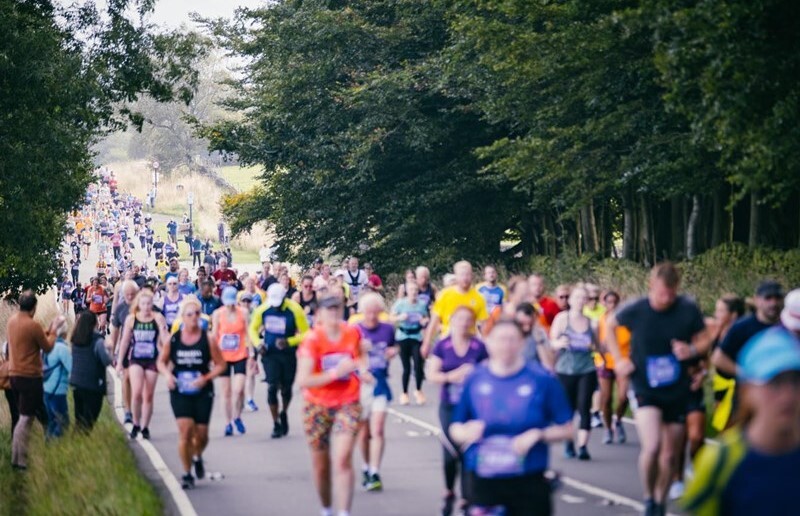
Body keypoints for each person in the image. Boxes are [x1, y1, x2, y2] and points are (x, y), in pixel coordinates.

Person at [605, 263, 708, 516]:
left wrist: (692, 350)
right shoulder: (637, 309)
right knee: (651, 446)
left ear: (677, 289)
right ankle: (649, 496)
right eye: (662, 294)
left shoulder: (687, 309)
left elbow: (706, 337)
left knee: (671, 456)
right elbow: (609, 325)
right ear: (652, 286)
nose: (666, 299)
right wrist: (619, 359)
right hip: (644, 385)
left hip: (676, 388)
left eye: (671, 294)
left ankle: (659, 502)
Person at [449, 318, 574, 516]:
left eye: (511, 339)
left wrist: (538, 434)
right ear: (488, 343)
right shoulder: (475, 378)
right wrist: (465, 431)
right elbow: (455, 428)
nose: (505, 345)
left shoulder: (542, 379)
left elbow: (568, 429)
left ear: (522, 343)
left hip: (528, 479)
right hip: (485, 478)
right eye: (500, 339)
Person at [682, 327, 800, 515]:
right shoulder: (720, 461)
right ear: (747, 389)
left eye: (796, 381)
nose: (788, 395)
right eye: (774, 383)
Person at [296, 296, 365, 516]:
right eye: (330, 310)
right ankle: (326, 508)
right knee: (321, 465)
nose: (334, 315)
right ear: (320, 315)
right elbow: (304, 380)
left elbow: (360, 357)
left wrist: (364, 370)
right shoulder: (312, 340)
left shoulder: (352, 333)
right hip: (316, 404)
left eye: (338, 310)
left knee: (343, 458)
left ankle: (344, 511)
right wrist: (336, 373)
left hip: (348, 401)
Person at [158, 297, 227, 489]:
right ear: (182, 317)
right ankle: (187, 473)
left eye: (197, 313)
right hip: (179, 389)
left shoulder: (208, 339)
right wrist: (167, 376)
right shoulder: (174, 339)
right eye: (190, 314)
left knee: (202, 435)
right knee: (185, 432)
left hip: (202, 390)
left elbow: (221, 365)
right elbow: (161, 362)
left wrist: (206, 378)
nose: (194, 317)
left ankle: (197, 456)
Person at [426, 306, 489, 516]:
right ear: (451, 321)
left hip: (473, 407)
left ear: (472, 323)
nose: (463, 324)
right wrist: (452, 376)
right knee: (450, 453)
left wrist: (475, 375)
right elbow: (432, 375)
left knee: (469, 452)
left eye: (467, 320)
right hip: (449, 405)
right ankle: (448, 491)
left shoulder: (479, 347)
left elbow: (491, 372)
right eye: (459, 320)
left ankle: (466, 499)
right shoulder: (442, 346)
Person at [7, 291, 65, 469]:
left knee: (22, 418)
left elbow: (33, 337)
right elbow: (47, 347)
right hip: (30, 377)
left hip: (14, 375)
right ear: (33, 308)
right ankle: (19, 460)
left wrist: (48, 330)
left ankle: (16, 458)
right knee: (26, 419)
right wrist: (54, 332)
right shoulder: (32, 325)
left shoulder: (12, 321)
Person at [249, 283, 309, 438]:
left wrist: (289, 341)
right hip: (269, 354)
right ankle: (275, 423)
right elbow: (252, 329)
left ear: (284, 298)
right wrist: (258, 344)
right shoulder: (263, 309)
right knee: (272, 387)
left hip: (288, 354)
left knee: (286, 388)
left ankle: (284, 412)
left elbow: (306, 333)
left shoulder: (295, 309)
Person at [549, 285, 598, 460]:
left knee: (584, 405)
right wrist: (558, 343)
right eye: (577, 297)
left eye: (583, 298)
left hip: (587, 368)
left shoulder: (592, 322)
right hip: (565, 369)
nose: (580, 301)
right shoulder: (562, 319)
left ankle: (583, 446)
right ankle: (569, 442)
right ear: (570, 300)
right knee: (568, 408)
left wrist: (594, 347)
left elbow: (599, 345)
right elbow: (551, 341)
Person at [355, 293, 397, 491]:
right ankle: (365, 465)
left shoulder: (388, 329)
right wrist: (359, 353)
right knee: (364, 433)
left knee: (378, 429)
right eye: (368, 311)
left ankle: (374, 471)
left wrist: (393, 352)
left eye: (375, 311)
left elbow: (392, 347)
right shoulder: (355, 330)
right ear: (362, 312)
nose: (371, 315)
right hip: (360, 386)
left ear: (380, 312)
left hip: (380, 383)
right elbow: (345, 356)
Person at [116, 289, 170, 440]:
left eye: (149, 304)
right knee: (137, 392)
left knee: (148, 395)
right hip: (136, 359)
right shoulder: (132, 319)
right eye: (143, 304)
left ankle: (145, 427)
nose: (146, 307)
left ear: (152, 304)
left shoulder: (158, 318)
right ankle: (136, 423)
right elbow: (125, 341)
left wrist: (170, 356)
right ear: (138, 304)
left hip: (152, 359)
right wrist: (120, 362)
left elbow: (165, 339)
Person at [422, 261, 489, 357]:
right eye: (462, 275)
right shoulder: (445, 295)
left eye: (467, 274)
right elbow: (434, 321)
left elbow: (484, 325)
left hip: (469, 341)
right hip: (448, 339)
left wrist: (487, 343)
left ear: (472, 276)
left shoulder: (478, 297)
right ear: (456, 276)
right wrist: (426, 343)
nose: (465, 278)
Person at [211, 287, 251, 436]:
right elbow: (215, 335)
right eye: (227, 303)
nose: (230, 306)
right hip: (223, 357)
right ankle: (228, 423)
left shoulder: (244, 313)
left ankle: (237, 416)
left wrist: (252, 354)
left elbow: (248, 333)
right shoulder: (218, 314)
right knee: (226, 392)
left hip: (240, 354)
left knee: (238, 390)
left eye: (232, 303)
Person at [595, 290, 631, 445]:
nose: (612, 305)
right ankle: (608, 429)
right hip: (605, 362)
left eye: (614, 302)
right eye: (608, 302)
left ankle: (619, 420)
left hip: (622, 362)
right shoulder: (601, 320)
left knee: (624, 397)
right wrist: (600, 355)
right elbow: (597, 342)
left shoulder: (626, 320)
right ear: (604, 303)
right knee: (606, 398)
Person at [709, 294, 746, 432]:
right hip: (720, 386)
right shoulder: (719, 330)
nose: (716, 314)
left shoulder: (739, 335)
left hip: (736, 389)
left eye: (721, 311)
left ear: (733, 315)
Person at [70, 311, 112, 431]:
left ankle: (77, 443)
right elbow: (106, 361)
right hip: (92, 384)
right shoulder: (98, 341)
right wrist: (109, 348)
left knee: (79, 418)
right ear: (94, 324)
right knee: (90, 419)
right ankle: (83, 441)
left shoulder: (75, 340)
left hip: (77, 383)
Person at [391, 281, 429, 405]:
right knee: (406, 367)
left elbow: (427, 318)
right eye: (411, 290)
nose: (414, 292)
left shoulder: (422, 304)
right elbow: (390, 318)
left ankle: (418, 391)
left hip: (417, 336)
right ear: (407, 291)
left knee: (418, 365)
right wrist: (399, 318)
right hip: (403, 336)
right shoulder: (400, 303)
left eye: (416, 290)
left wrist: (424, 321)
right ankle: (404, 393)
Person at [110, 280, 138, 425]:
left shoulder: (144, 306)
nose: (130, 297)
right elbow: (114, 332)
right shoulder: (121, 308)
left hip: (142, 349)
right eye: (127, 294)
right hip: (126, 348)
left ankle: (137, 409)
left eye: (133, 294)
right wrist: (113, 351)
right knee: (126, 378)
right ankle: (128, 411)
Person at [42, 321, 72, 438]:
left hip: (46, 388)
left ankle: (48, 448)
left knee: (51, 421)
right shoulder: (62, 348)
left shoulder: (47, 345)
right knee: (63, 422)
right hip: (57, 390)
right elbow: (71, 368)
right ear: (64, 333)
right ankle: (57, 446)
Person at [514, 302, 553, 370]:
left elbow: (549, 366)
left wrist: (539, 341)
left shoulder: (539, 333)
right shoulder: (510, 333)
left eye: (530, 324)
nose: (527, 328)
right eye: (522, 324)